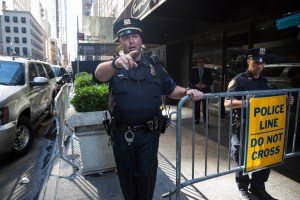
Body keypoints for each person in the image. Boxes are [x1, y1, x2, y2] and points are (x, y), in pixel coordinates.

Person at [94, 17, 203, 200]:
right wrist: (114, 64)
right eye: (126, 37)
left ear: (141, 39)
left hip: (148, 135)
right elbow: (98, 75)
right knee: (127, 177)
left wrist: (188, 91)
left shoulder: (154, 66)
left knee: (147, 176)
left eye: (135, 36)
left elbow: (171, 89)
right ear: (120, 42)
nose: (131, 40)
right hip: (122, 134)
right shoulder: (114, 66)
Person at [224, 48, 295, 200]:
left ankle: (258, 187)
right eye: (256, 63)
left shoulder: (265, 81)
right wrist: (246, 102)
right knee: (240, 157)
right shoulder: (239, 80)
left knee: (264, 156)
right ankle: (243, 188)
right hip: (243, 126)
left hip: (262, 127)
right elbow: (226, 103)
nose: (259, 66)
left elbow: (274, 98)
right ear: (249, 61)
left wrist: (286, 101)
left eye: (262, 64)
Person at [190, 58, 213, 126]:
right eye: (199, 62)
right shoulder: (194, 71)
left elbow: (211, 80)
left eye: (201, 62)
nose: (200, 63)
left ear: (204, 63)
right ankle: (196, 119)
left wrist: (205, 85)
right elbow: (190, 80)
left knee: (205, 107)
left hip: (206, 91)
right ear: (197, 63)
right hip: (196, 91)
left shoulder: (208, 71)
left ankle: (206, 122)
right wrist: (195, 85)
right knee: (196, 106)